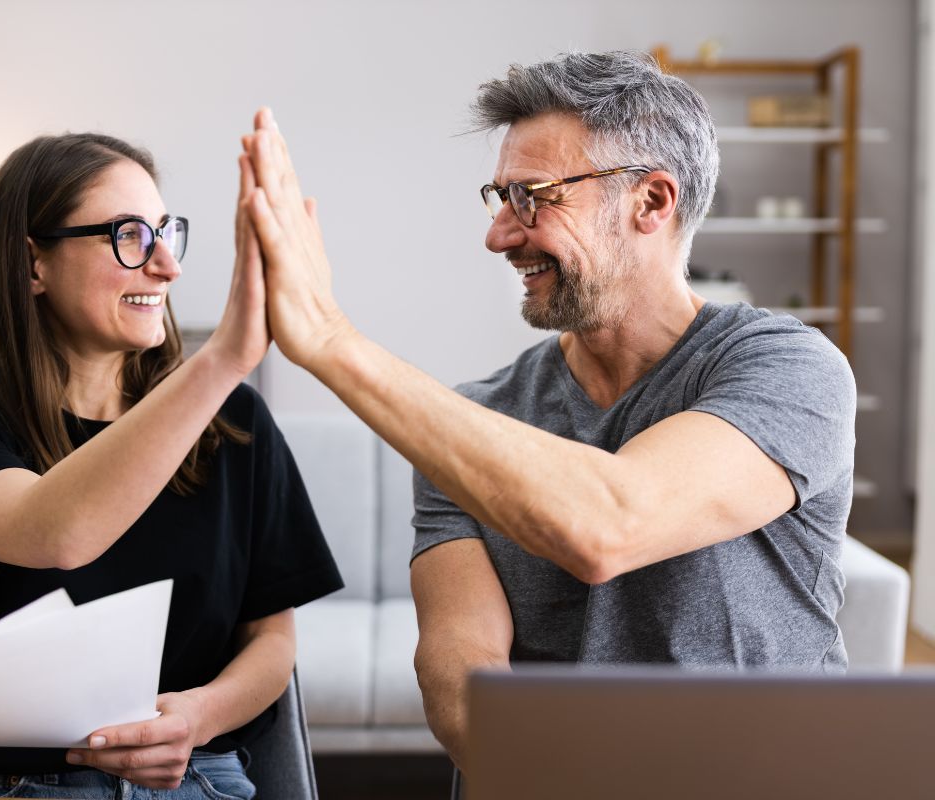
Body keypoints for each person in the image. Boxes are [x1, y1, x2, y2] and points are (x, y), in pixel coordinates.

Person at [240, 50, 855, 772]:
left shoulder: (788, 369)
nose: (500, 235)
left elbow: (608, 524)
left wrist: (332, 343)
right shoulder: (476, 423)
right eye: (499, 198)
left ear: (652, 202)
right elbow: (458, 665)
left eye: (533, 196)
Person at [0, 132, 343, 799]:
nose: (166, 266)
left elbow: (273, 644)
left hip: (200, 779)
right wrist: (223, 357)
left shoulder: (235, 425)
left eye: (166, 232)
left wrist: (195, 717)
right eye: (128, 235)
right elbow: (56, 533)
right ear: (32, 265)